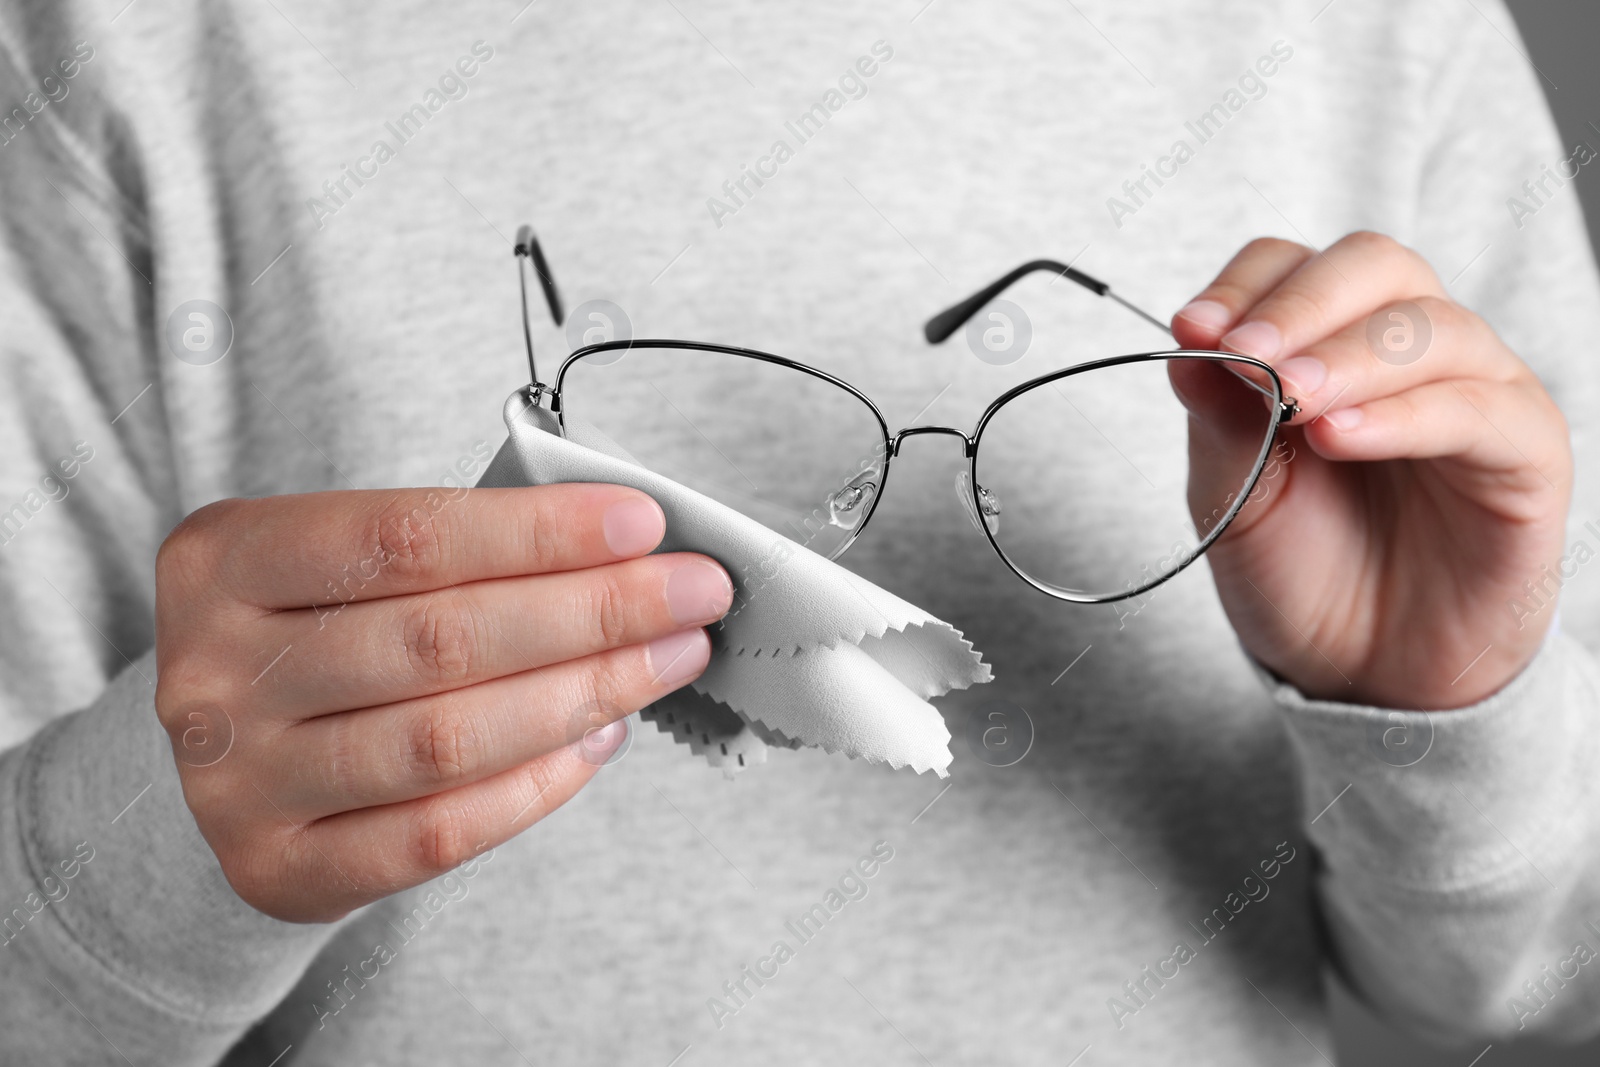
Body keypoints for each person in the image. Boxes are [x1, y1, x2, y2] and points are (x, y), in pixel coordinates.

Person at [1, 1, 1596, 1063]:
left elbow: (1513, 974)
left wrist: (1445, 717)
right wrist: (151, 849)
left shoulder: (1378, 31)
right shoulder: (111, 45)